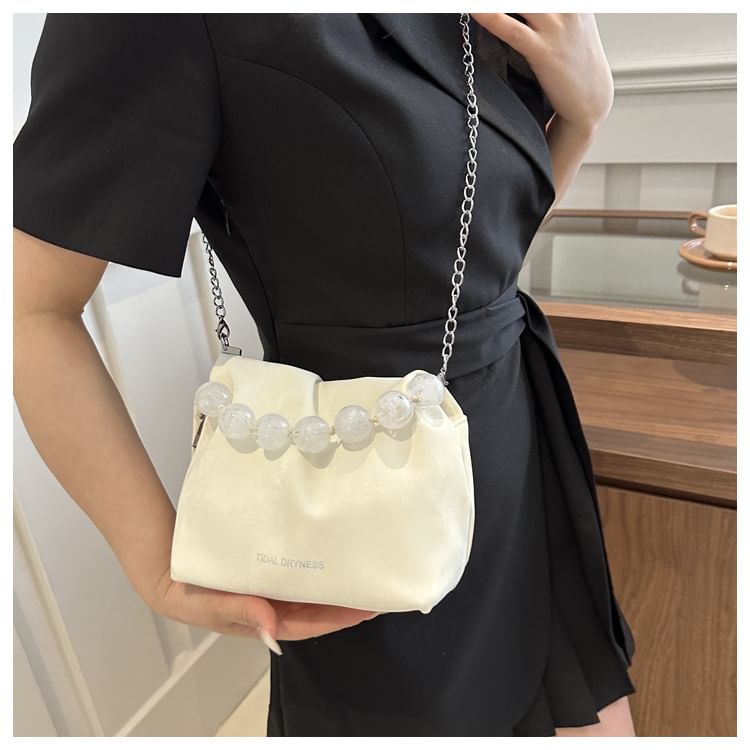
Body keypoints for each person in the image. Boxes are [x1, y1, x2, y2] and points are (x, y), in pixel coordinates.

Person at [13, 13, 637, 737]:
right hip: (360, 508)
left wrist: (583, 119)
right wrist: (156, 563)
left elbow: (480, 248)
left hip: (520, 457)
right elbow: (31, 309)